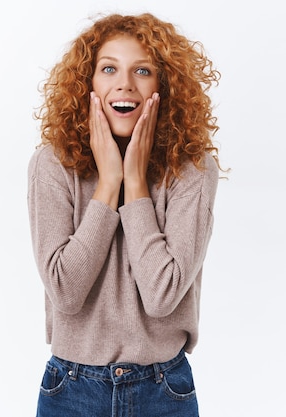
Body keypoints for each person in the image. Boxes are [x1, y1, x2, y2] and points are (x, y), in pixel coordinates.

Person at [27, 12, 225, 416]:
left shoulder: (191, 169)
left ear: (164, 84)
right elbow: (64, 291)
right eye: (109, 68)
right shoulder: (53, 164)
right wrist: (107, 184)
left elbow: (162, 295)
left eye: (143, 70)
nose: (124, 83)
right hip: (72, 389)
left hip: (162, 390)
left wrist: (133, 185)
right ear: (88, 83)